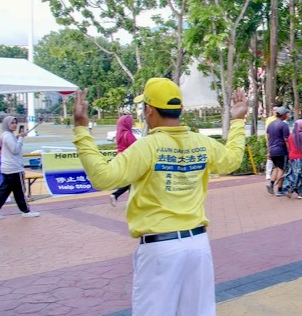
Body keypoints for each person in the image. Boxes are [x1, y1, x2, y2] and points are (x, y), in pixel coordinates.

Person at [72, 78, 248, 315]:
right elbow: (232, 160)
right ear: (180, 109)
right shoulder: (202, 144)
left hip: (160, 250)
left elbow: (103, 177)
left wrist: (82, 130)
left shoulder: (148, 147)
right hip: (197, 245)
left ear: (150, 110)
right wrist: (237, 121)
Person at [0, 116, 40, 219]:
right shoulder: (8, 136)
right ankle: (25, 211)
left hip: (7, 168)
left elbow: (11, 145)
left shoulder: (7, 135)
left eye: (15, 122)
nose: (15, 125)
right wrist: (21, 138)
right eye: (12, 123)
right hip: (14, 169)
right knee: (19, 190)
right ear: (7, 124)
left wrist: (18, 137)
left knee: (4, 191)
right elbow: (15, 149)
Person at [109, 115, 138, 207]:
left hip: (121, 158)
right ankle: (122, 197)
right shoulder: (128, 134)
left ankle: (117, 195)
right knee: (132, 180)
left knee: (130, 181)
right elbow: (136, 146)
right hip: (129, 159)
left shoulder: (119, 134)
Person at [283, 119, 302, 199]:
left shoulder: (291, 136)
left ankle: (288, 187)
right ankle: (301, 193)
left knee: (293, 173)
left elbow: (289, 147)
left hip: (292, 157)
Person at [266, 106, 290, 196]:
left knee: (276, 168)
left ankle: (271, 184)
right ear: (283, 115)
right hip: (281, 150)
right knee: (281, 169)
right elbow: (286, 139)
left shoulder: (270, 124)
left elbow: (268, 139)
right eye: (286, 114)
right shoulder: (284, 125)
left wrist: (268, 151)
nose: (287, 115)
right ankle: (280, 189)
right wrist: (289, 150)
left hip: (272, 150)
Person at [264, 106, 279, 180]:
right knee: (270, 157)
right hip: (271, 141)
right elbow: (267, 131)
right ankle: (268, 173)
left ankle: (277, 173)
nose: (275, 111)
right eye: (274, 110)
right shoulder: (269, 119)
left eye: (277, 110)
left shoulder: (282, 119)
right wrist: (268, 141)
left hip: (280, 142)